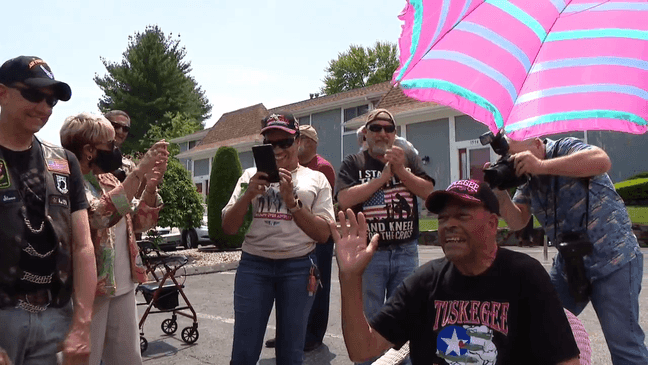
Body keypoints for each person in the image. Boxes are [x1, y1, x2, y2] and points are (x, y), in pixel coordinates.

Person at [331, 179, 581, 364]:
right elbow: (362, 349)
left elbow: (565, 359)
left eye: (462, 216)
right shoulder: (424, 282)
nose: (449, 224)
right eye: (442, 219)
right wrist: (350, 277)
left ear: (492, 224)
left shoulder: (525, 276)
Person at [491, 136, 648, 364]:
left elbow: (601, 161)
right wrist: (499, 193)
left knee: (624, 344)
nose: (517, 163)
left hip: (613, 260)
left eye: (518, 157)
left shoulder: (565, 147)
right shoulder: (527, 178)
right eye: (511, 159)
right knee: (539, 327)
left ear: (536, 143)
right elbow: (518, 221)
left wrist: (541, 166)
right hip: (571, 265)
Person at [0, 56, 97, 365]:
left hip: (55, 315)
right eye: (32, 95)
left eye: (51, 100)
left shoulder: (64, 162)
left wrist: (82, 325)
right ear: (2, 93)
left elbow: (83, 246)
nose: (44, 108)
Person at [222, 113, 335, 365]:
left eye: (284, 142)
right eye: (270, 144)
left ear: (298, 142)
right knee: (244, 350)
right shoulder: (248, 176)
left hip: (298, 266)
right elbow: (228, 227)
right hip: (254, 265)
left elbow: (323, 234)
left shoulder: (316, 179)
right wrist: (247, 194)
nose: (278, 149)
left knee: (291, 351)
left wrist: (292, 203)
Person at [60, 113, 168, 365]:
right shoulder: (66, 180)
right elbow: (99, 216)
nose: (116, 149)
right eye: (110, 145)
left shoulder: (109, 179)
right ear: (88, 150)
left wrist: (150, 187)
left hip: (122, 283)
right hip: (90, 291)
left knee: (127, 359)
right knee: (86, 359)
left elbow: (140, 223)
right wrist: (139, 172)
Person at [336, 108, 434, 364]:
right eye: (376, 128)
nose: (382, 133)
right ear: (365, 134)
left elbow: (429, 192)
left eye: (388, 129)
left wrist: (401, 170)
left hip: (405, 250)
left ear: (394, 135)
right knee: (370, 319)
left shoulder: (408, 160)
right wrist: (382, 179)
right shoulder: (354, 163)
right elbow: (344, 199)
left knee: (407, 315)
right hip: (370, 253)